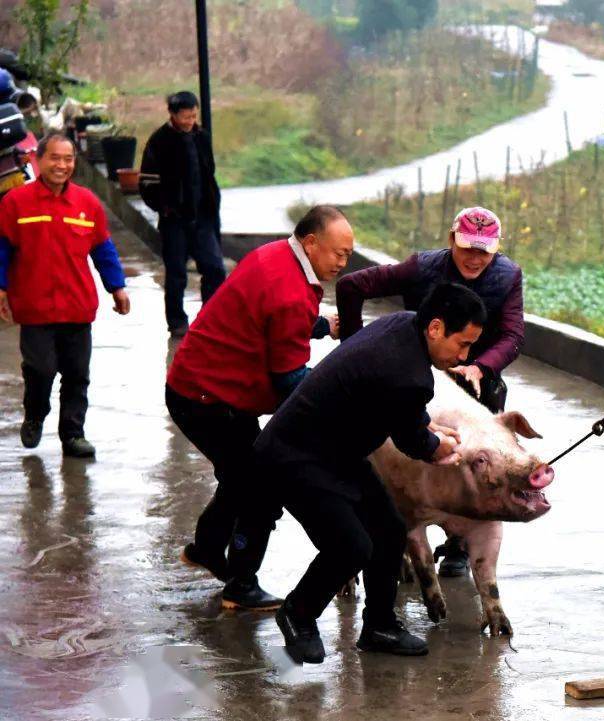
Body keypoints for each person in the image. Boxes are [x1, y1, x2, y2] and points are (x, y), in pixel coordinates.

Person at [259, 283, 482, 664]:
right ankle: (298, 614)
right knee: (351, 546)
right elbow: (412, 440)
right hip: (295, 457)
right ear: (435, 328)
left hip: (337, 450)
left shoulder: (403, 325)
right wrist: (438, 447)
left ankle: (379, 625)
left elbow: (403, 414)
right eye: (462, 344)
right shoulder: (410, 375)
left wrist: (426, 428)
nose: (465, 355)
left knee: (389, 530)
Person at [165, 205, 346, 611]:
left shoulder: (276, 256)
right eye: (338, 253)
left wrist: (318, 326)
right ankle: (241, 586)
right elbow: (291, 383)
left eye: (348, 255)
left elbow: (268, 321)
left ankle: (207, 548)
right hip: (208, 400)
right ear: (311, 242)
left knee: (239, 475)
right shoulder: (289, 291)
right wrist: (343, 389)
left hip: (196, 386)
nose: (342, 263)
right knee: (260, 490)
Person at [335, 206, 524, 577]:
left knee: (477, 463)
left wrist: (478, 367)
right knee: (404, 457)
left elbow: (513, 335)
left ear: (496, 250)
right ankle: (403, 530)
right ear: (452, 240)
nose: (474, 258)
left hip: (476, 382)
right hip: (420, 375)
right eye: (467, 247)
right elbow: (351, 285)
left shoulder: (507, 276)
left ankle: (459, 544)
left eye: (484, 250)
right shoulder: (421, 268)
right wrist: (352, 348)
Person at [0, 132, 131, 458]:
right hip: (34, 307)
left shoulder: (87, 203)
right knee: (40, 370)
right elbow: (1, 249)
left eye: (68, 159)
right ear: (38, 160)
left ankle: (73, 435)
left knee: (77, 376)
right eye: (55, 158)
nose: (62, 165)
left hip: (77, 306)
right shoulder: (16, 202)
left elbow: (103, 249)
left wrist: (117, 287)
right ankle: (35, 414)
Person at [138, 91, 226, 338]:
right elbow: (146, 181)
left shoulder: (201, 137)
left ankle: (210, 316)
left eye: (193, 116)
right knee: (176, 273)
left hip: (204, 217)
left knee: (215, 269)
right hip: (174, 220)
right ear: (173, 115)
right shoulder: (159, 141)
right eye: (185, 117)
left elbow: (209, 172)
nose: (190, 121)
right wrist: (165, 208)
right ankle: (177, 321)